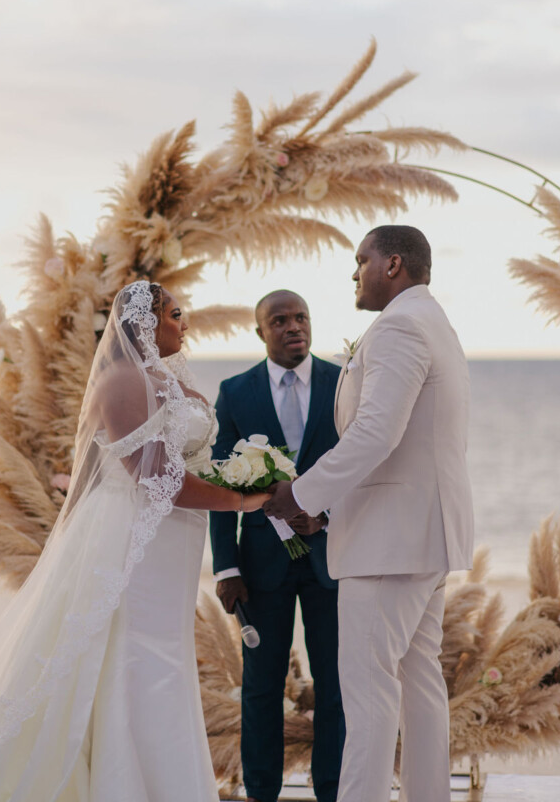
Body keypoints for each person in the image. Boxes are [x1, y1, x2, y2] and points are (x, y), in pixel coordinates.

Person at [0, 281, 269, 802]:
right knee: (136, 653)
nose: (184, 323)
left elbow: (189, 463)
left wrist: (240, 476)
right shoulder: (121, 380)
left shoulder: (168, 379)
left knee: (165, 652)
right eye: (175, 313)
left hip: (174, 543)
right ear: (145, 323)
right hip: (129, 537)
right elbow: (152, 476)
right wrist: (241, 500)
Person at [264, 227, 474, 802]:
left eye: (361, 261)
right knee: (418, 684)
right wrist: (329, 512)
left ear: (393, 265)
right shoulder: (438, 325)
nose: (354, 272)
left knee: (368, 693)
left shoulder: (400, 328)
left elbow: (378, 433)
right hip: (421, 537)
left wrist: (302, 495)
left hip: (390, 545)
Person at [210, 290, 345, 802]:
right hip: (261, 564)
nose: (294, 327)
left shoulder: (340, 383)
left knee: (334, 681)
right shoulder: (235, 392)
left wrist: (327, 512)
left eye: (301, 317)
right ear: (260, 331)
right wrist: (225, 568)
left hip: (332, 556)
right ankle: (261, 791)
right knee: (261, 687)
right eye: (280, 320)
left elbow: (361, 463)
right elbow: (220, 482)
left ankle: (331, 789)